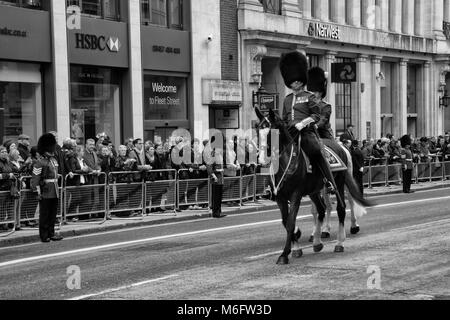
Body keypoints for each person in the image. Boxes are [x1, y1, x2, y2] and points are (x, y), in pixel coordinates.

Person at [280, 51, 337, 194]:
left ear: (302, 80)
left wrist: (303, 123)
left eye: (298, 80)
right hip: (290, 133)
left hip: (306, 133)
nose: (295, 82)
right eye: (293, 80)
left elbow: (316, 115)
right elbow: (284, 118)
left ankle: (328, 181)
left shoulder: (309, 97)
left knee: (316, 152)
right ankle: (273, 184)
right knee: (274, 149)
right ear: (289, 81)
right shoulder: (287, 99)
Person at [31, 133, 63, 243]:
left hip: (54, 189)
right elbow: (35, 178)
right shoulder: (40, 162)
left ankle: (51, 233)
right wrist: (37, 192)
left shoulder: (54, 160)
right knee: (44, 214)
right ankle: (44, 235)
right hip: (45, 190)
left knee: (52, 214)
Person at [206, 140, 226, 218]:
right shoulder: (213, 154)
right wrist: (213, 174)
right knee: (216, 196)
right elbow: (209, 166)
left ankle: (219, 211)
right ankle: (215, 212)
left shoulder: (219, 155)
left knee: (219, 196)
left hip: (220, 177)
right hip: (216, 178)